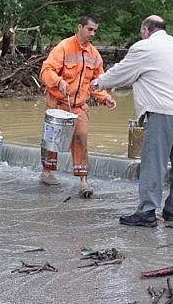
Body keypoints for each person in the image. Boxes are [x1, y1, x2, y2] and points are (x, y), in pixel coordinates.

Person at [91, 15, 173, 227]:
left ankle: (147, 212)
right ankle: (172, 211)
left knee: (154, 163)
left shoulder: (145, 47)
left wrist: (98, 83)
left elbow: (122, 73)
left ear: (146, 30)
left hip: (164, 112)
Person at [39, 14, 117, 196]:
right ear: (80, 27)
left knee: (81, 138)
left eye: (95, 31)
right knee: (52, 140)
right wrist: (58, 82)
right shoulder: (64, 47)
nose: (92, 34)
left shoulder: (94, 55)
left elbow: (96, 82)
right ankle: (47, 172)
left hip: (79, 105)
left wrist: (105, 98)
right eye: (89, 29)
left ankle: (83, 181)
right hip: (57, 103)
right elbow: (46, 70)